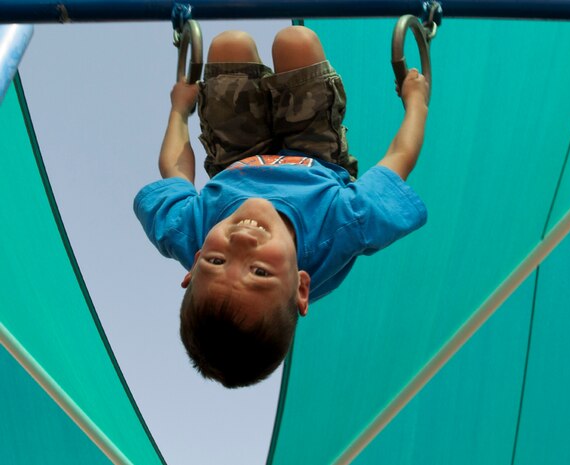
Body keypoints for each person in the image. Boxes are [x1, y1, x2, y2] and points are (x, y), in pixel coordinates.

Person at [134, 26, 429, 388]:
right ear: (301, 288)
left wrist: (179, 110)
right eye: (259, 272)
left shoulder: (185, 230)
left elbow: (175, 170)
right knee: (296, 43)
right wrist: (416, 101)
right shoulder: (341, 228)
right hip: (313, 152)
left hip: (238, 154)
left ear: (192, 267)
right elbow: (399, 158)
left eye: (216, 261)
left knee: (230, 44)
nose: (240, 244)